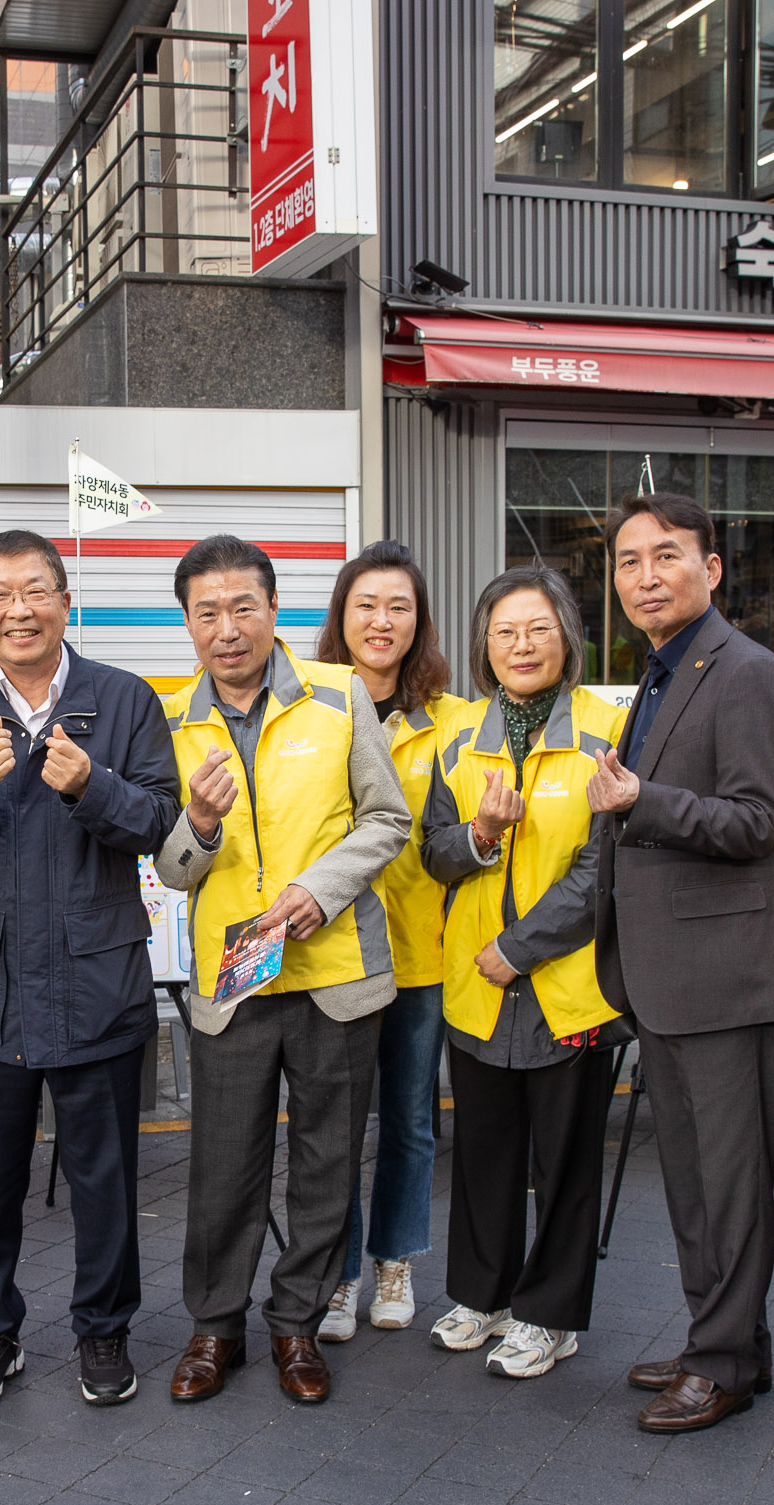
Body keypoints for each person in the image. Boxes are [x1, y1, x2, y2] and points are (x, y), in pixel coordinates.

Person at [0, 530, 180, 1410]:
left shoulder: (124, 699)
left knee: (104, 1176)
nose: (17, 609)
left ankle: (103, 1331)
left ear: (67, 600)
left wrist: (90, 784)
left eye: (34, 590)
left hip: (96, 977)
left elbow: (157, 824)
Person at [155, 535, 411, 1406]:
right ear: (187, 623)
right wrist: (198, 823)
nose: (228, 628)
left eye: (243, 607)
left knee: (326, 1158)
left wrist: (319, 889)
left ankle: (295, 1323)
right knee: (224, 1162)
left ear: (274, 610)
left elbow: (388, 820)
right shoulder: (173, 721)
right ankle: (214, 1325)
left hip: (336, 969)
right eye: (208, 612)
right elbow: (171, 868)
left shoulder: (340, 696)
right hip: (233, 981)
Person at [588, 492, 774, 1434]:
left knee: (729, 1182)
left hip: (722, 977)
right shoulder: (662, 673)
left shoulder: (746, 672)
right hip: (667, 974)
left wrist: (643, 801)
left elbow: (756, 822)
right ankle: (725, 1341)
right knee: (691, 1181)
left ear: (710, 568)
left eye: (665, 555)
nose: (645, 576)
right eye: (629, 561)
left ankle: (723, 1361)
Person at [417, 567, 626, 1379]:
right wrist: (480, 833)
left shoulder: (609, 729)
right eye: (505, 631)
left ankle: (551, 1315)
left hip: (567, 983)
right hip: (476, 986)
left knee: (565, 1158)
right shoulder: (458, 735)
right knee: (484, 1150)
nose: (522, 645)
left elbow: (602, 868)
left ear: (567, 636)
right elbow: (434, 853)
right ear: (483, 645)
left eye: (538, 628)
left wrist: (520, 948)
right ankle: (483, 1295)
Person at [310, 541, 465, 1341]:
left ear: (418, 621)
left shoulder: (452, 720)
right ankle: (334, 1276)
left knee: (409, 1118)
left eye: (398, 606)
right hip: (331, 951)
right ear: (342, 615)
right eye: (366, 604)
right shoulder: (311, 705)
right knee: (333, 1122)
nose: (381, 621)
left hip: (419, 950)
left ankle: (395, 1260)